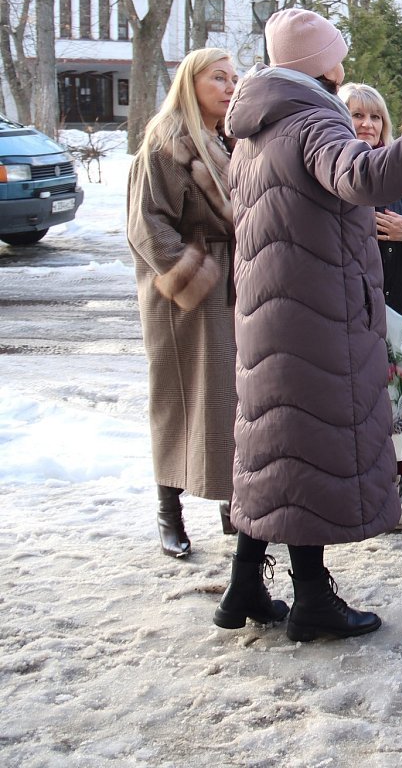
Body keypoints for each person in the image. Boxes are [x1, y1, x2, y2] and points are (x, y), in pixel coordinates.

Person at [217, 7, 402, 640]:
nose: (342, 60)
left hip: (271, 314)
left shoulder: (256, 128)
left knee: (273, 451)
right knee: (304, 458)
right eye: (334, 51)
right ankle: (313, 601)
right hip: (313, 317)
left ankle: (244, 585)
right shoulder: (311, 119)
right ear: (317, 61)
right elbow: (365, 175)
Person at [126, 48, 242, 561]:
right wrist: (196, 277)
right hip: (184, 295)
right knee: (178, 399)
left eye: (234, 78)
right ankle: (168, 512)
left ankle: (230, 504)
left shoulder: (229, 141)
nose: (229, 86)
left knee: (232, 400)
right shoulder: (164, 143)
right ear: (189, 82)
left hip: (235, 286)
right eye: (218, 77)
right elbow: (146, 226)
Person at [339, 82, 402, 525]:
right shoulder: (331, 171)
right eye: (357, 115)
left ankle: (394, 483)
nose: (366, 124)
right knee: (356, 404)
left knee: (398, 401)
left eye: (375, 117)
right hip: (349, 311)